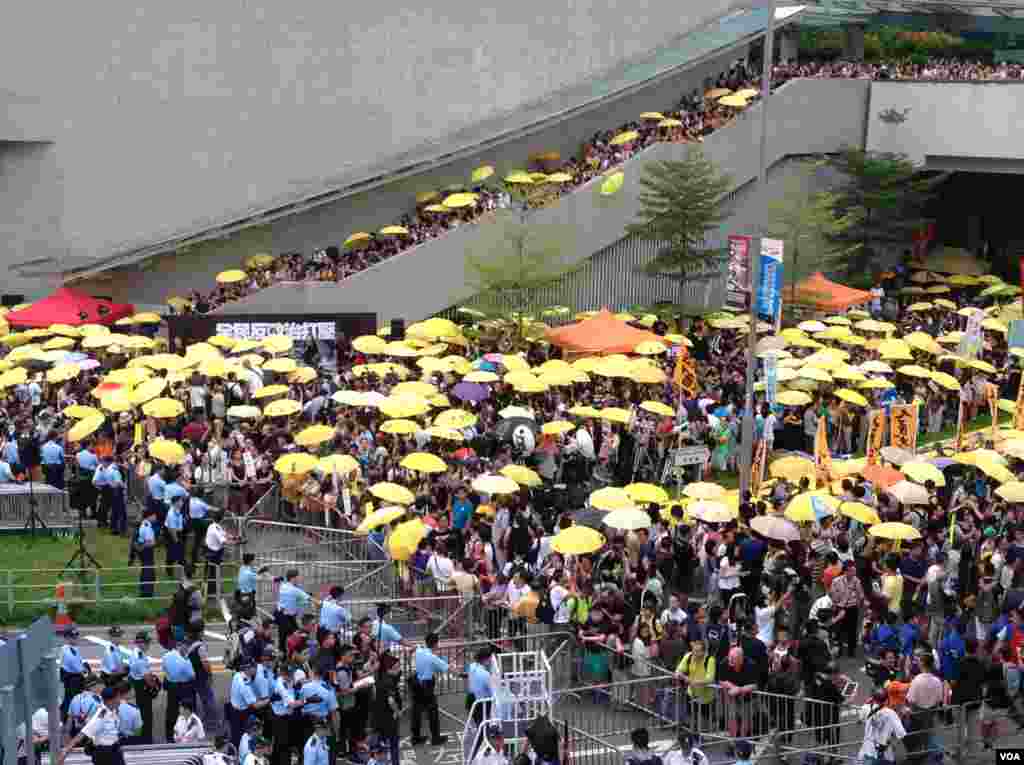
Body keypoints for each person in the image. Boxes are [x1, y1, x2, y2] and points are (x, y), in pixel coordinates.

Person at [56, 685, 125, 765]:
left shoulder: (112, 711)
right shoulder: (102, 713)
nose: (120, 700)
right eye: (119, 697)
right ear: (112, 699)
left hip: (113, 751)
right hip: (105, 753)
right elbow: (85, 731)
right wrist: (66, 750)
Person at [411, 632, 449, 746]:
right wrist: (463, 674)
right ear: (436, 644)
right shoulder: (432, 657)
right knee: (432, 712)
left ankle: (415, 737)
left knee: (416, 711)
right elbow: (447, 668)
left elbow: (414, 648)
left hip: (416, 683)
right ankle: (435, 738)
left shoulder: (418, 650)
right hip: (427, 685)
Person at [858, 688, 906, 765]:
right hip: (884, 753)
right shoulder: (891, 714)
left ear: (873, 698)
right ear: (887, 700)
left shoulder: (865, 708)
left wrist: (867, 703)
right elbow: (901, 733)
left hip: (867, 750)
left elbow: (860, 719)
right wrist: (892, 744)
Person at [161, 641, 196, 744]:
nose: (187, 649)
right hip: (183, 687)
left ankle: (169, 737)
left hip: (171, 686)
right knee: (185, 712)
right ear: (179, 646)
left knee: (171, 712)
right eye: (186, 646)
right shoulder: (184, 660)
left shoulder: (166, 656)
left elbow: (164, 669)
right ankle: (183, 735)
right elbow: (192, 675)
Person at [371, 653, 403, 765]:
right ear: (389, 669)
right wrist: (397, 712)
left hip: (378, 716)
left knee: (381, 743)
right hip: (388, 717)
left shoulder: (380, 676)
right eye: (397, 667)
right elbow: (391, 701)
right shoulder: (389, 682)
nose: (399, 669)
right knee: (393, 744)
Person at [228, 659, 268, 747]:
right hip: (240, 714)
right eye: (254, 668)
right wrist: (269, 699)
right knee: (240, 738)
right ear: (248, 669)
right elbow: (256, 705)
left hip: (234, 708)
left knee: (235, 736)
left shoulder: (238, 675)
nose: (256, 670)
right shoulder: (244, 685)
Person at [127, 631, 157, 745]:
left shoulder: (137, 653)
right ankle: (146, 739)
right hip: (142, 688)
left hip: (138, 685)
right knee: (146, 715)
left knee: (143, 713)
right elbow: (147, 678)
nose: (149, 645)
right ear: (141, 643)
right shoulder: (139, 657)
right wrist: (154, 686)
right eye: (147, 642)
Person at [276, 569, 313, 654]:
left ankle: (286, 656)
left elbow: (297, 600)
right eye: (298, 577)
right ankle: (293, 656)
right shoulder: (294, 589)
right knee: (296, 636)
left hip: (284, 615)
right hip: (285, 616)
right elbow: (307, 598)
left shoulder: (284, 586)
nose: (299, 579)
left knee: (283, 639)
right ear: (293, 578)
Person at [60, 626, 87, 723]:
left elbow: (79, 661)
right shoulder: (68, 651)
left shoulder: (72, 648)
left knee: (69, 698)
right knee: (72, 699)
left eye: (76, 636)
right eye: (72, 637)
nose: (75, 638)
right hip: (73, 678)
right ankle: (65, 719)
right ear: (66, 638)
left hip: (73, 677)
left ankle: (65, 718)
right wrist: (85, 670)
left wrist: (84, 666)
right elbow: (77, 667)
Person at [134, 507, 158, 598]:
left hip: (144, 551)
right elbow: (149, 542)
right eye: (154, 515)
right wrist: (152, 543)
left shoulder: (145, 524)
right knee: (148, 571)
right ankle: (147, 592)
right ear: (149, 516)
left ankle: (145, 590)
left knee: (146, 570)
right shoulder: (147, 527)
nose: (155, 517)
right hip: (147, 551)